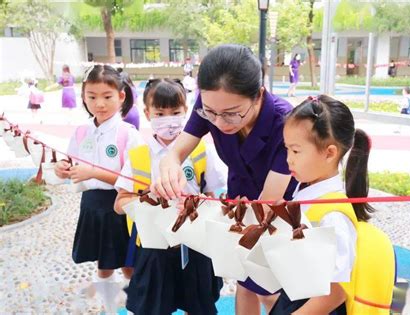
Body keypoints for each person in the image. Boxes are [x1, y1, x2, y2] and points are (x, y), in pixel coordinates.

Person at [152, 44, 298, 315]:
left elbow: (266, 203)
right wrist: (168, 167)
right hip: (239, 192)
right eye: (211, 113)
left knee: (269, 284)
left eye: (232, 113)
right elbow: (175, 153)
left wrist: (206, 209)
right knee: (245, 277)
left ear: (259, 96)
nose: (219, 122)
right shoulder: (213, 104)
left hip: (275, 204)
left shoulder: (285, 122)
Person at [270, 95, 395, 315]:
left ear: (329, 153)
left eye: (296, 151)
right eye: (287, 149)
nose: (289, 159)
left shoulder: (334, 215)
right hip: (297, 297)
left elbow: (336, 292)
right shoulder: (305, 194)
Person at [114, 78, 227, 314]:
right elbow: (119, 203)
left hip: (195, 245)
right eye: (160, 112)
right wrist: (148, 199)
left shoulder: (200, 150)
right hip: (154, 249)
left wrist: (202, 203)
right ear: (147, 113)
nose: (168, 119)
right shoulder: (137, 156)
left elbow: (211, 193)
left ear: (186, 111)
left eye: (175, 112)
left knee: (199, 305)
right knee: (152, 307)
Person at [53, 64, 143, 313]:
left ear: (121, 96)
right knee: (103, 264)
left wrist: (93, 172)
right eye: (92, 97)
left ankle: (135, 304)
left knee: (128, 264)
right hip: (92, 207)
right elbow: (71, 162)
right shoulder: (82, 131)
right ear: (83, 96)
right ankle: (109, 307)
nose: (99, 104)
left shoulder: (128, 134)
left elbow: (136, 181)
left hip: (119, 206)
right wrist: (62, 168)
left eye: (107, 96)